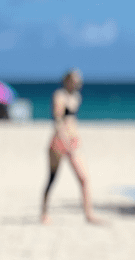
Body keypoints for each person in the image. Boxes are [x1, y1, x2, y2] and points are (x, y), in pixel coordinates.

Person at [41, 68, 100, 225]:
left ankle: (89, 213)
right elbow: (58, 120)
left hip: (73, 142)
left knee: (84, 178)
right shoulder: (59, 96)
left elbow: (72, 121)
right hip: (59, 142)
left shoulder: (76, 97)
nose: (78, 83)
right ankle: (44, 212)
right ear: (67, 80)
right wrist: (64, 140)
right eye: (75, 80)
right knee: (52, 178)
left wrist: (75, 139)